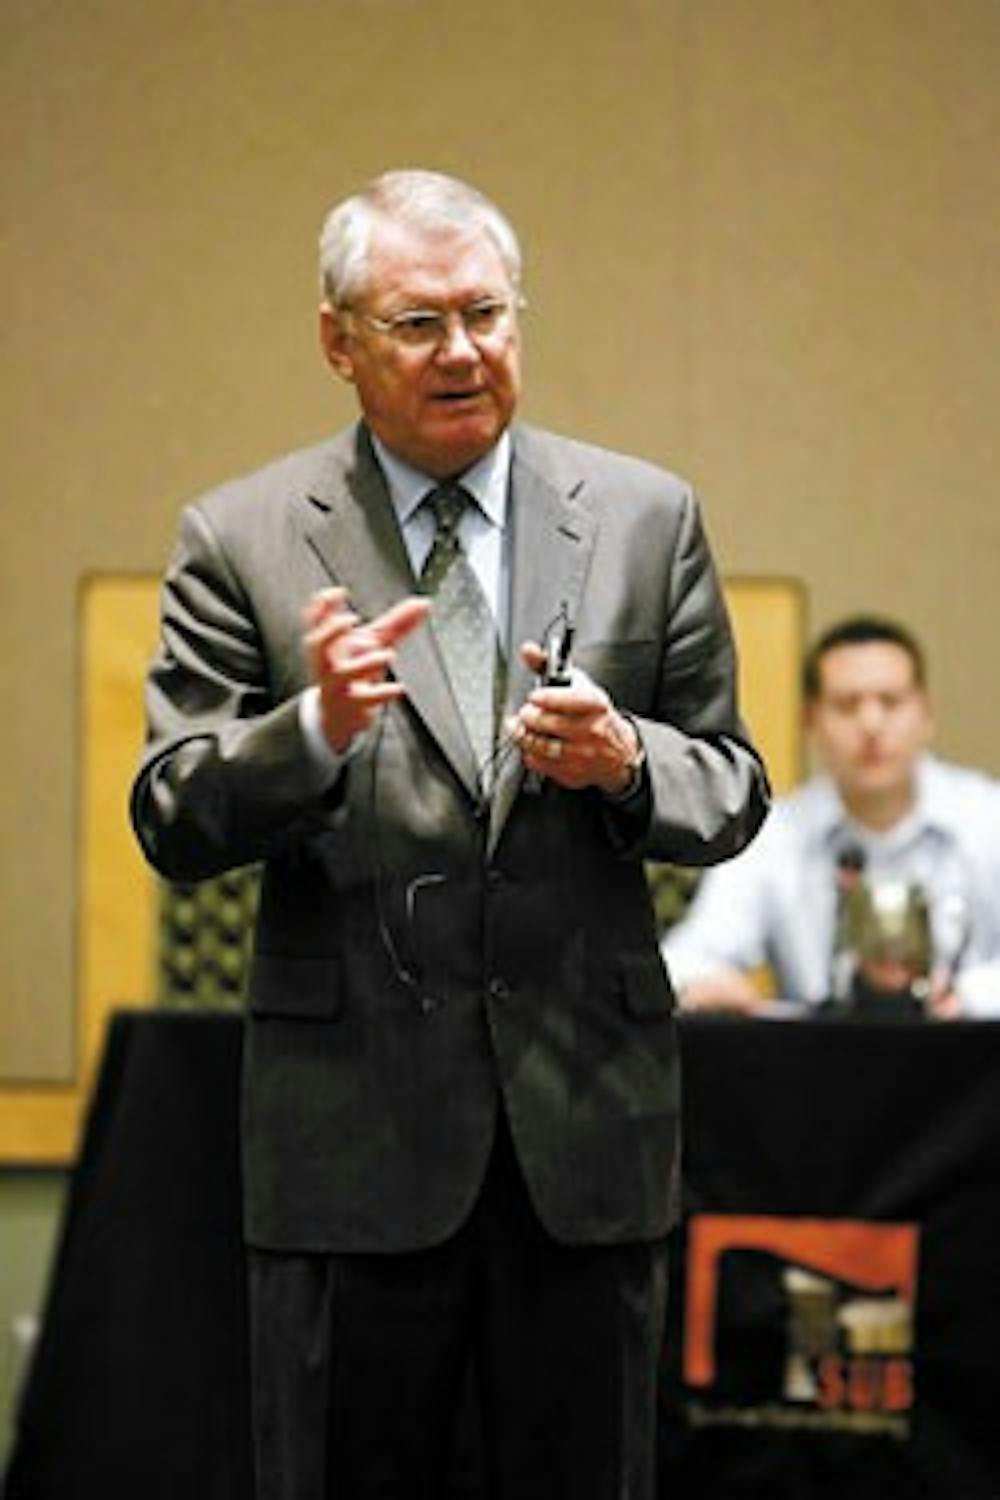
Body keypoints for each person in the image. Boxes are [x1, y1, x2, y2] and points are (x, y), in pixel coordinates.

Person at [130, 168, 768, 1500]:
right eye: (419, 323)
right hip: (350, 1147)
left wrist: (627, 758)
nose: (464, 350)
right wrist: (309, 736)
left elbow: (733, 786)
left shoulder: (647, 520)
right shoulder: (242, 537)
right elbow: (173, 810)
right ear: (338, 342)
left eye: (488, 312)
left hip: (584, 1136)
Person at [663, 615, 1000, 1019]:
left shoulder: (988, 817)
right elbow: (687, 957)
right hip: (821, 1067)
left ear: (926, 713)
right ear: (810, 720)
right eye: (847, 705)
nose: (871, 724)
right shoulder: (775, 833)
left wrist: (967, 997)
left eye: (890, 702)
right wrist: (706, 982)